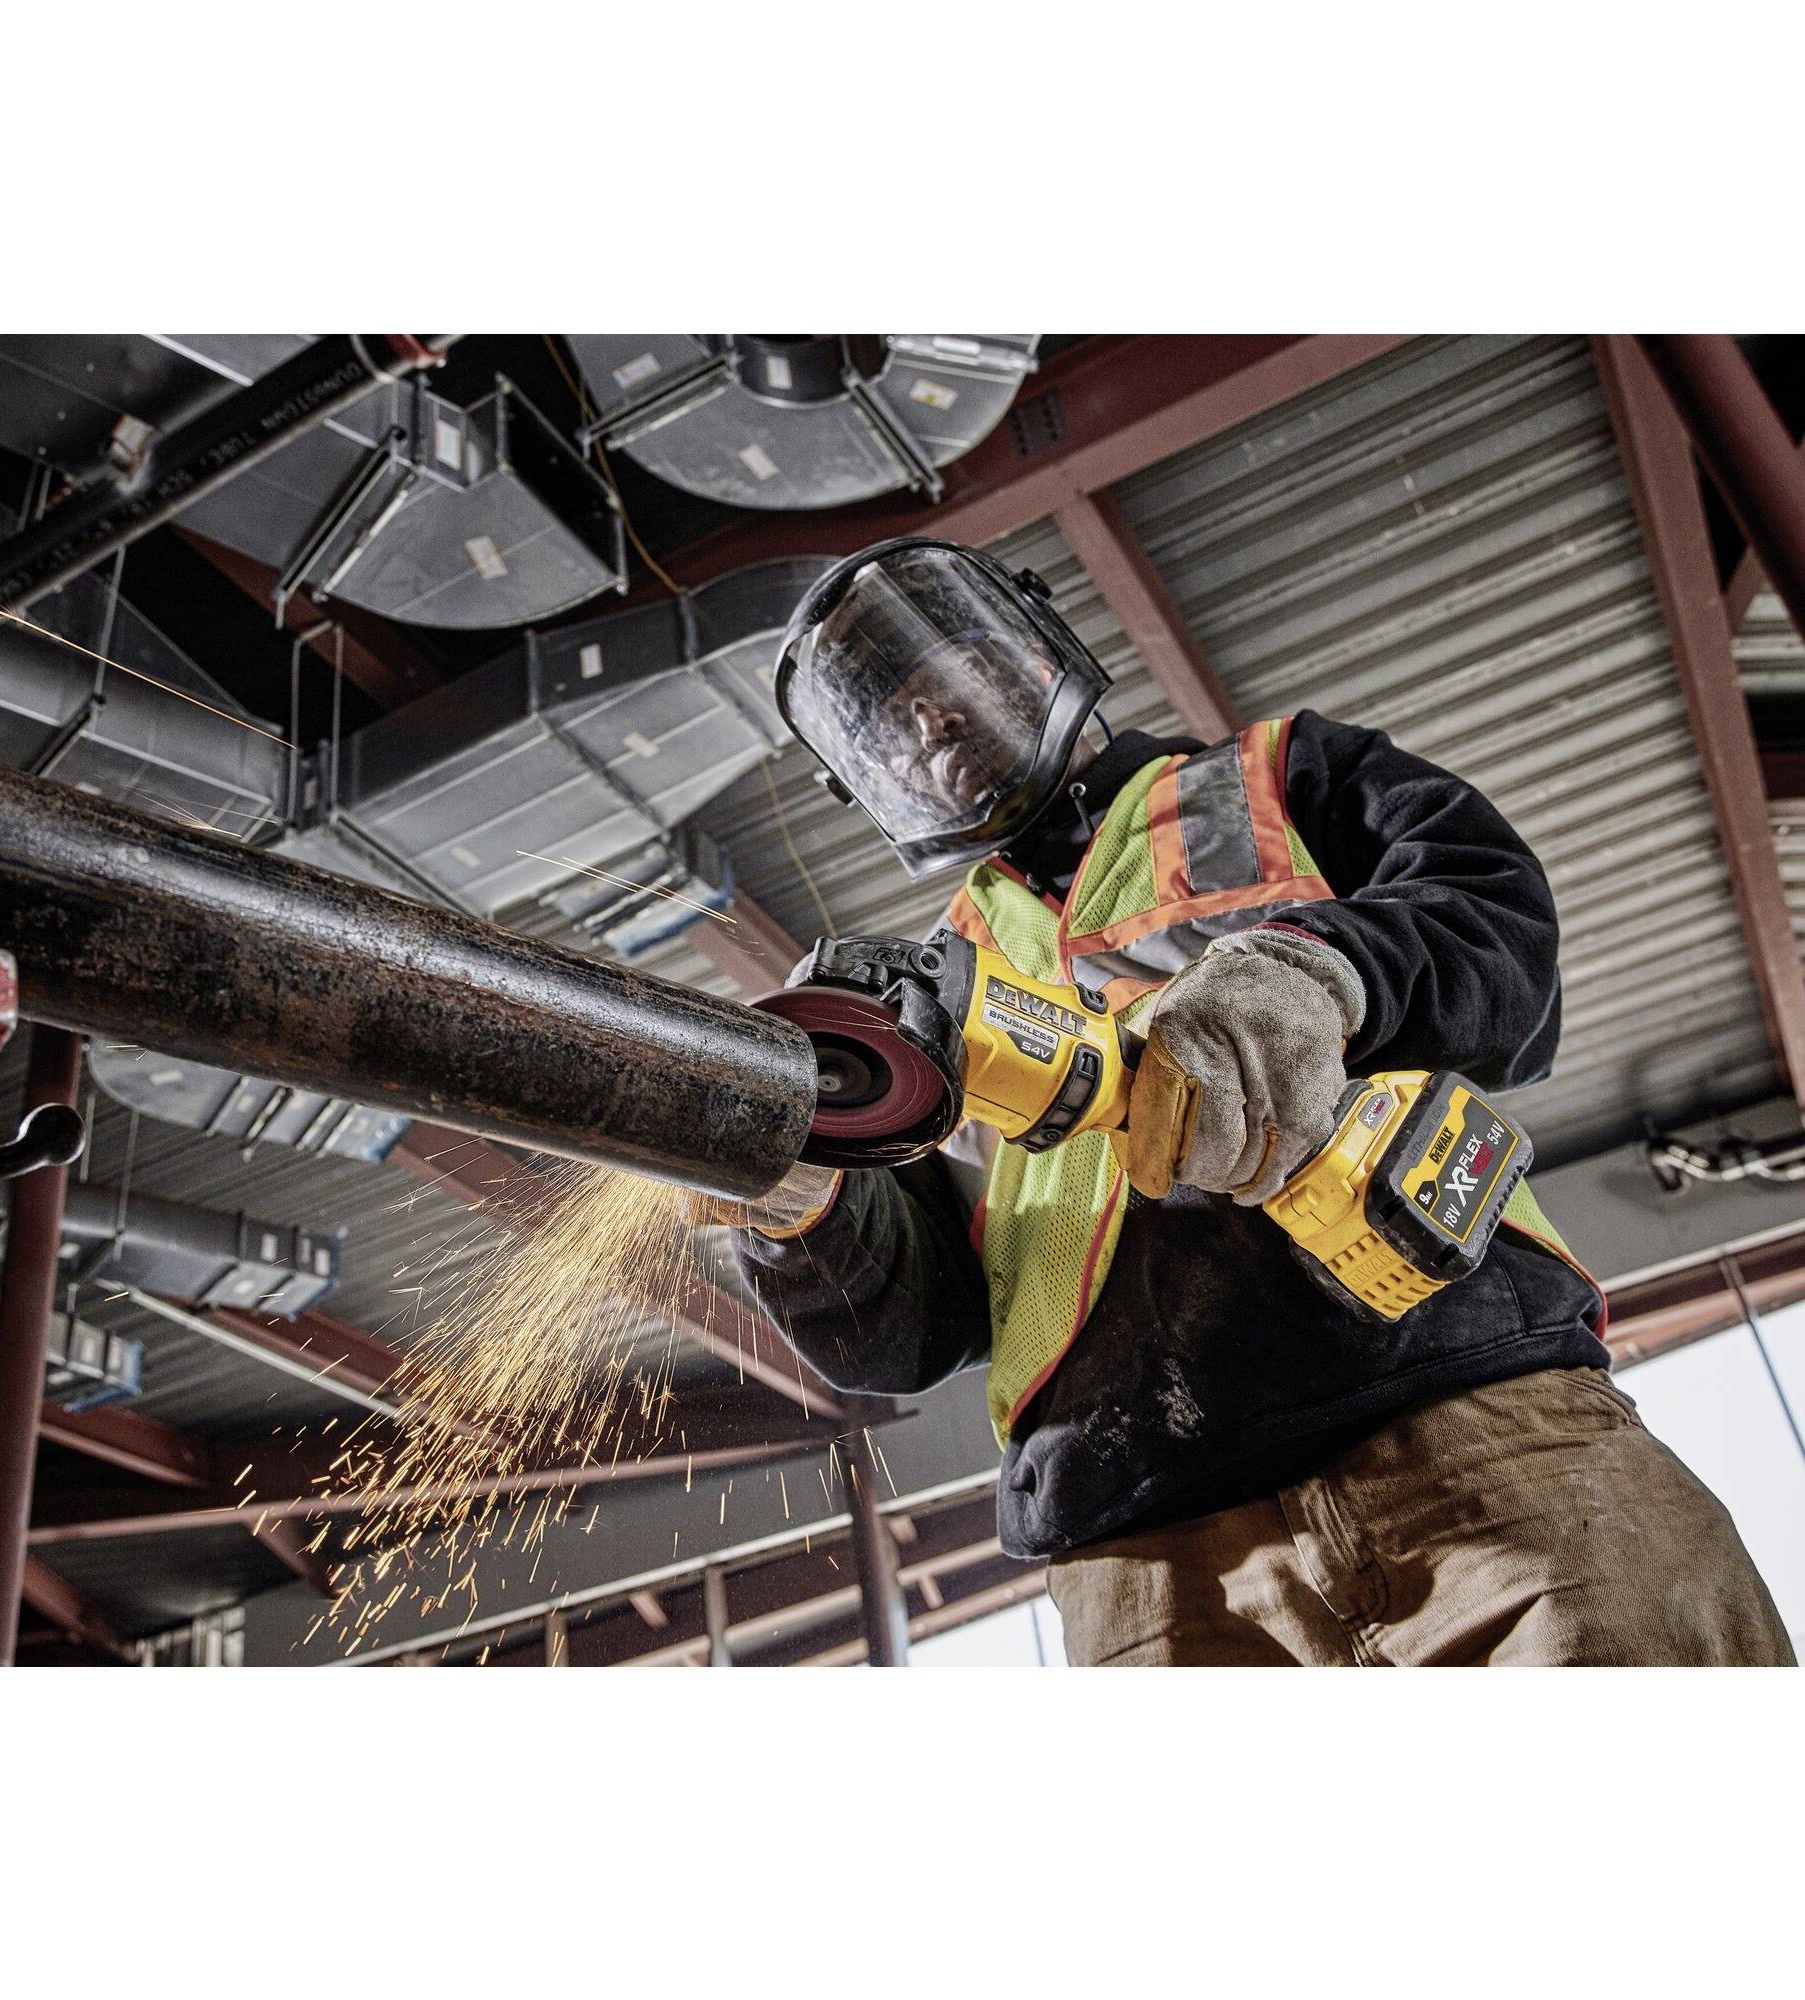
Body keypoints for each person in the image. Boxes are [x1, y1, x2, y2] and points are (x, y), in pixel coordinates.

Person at [715, 536, 1794, 1667]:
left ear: (1035, 654)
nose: (927, 723)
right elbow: (910, 1327)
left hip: (1475, 1427)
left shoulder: (1278, 774)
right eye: (891, 722)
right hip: (1142, 1547)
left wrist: (1313, 968)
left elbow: (1500, 925)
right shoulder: (926, 992)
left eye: (943, 675)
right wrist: (799, 1197)